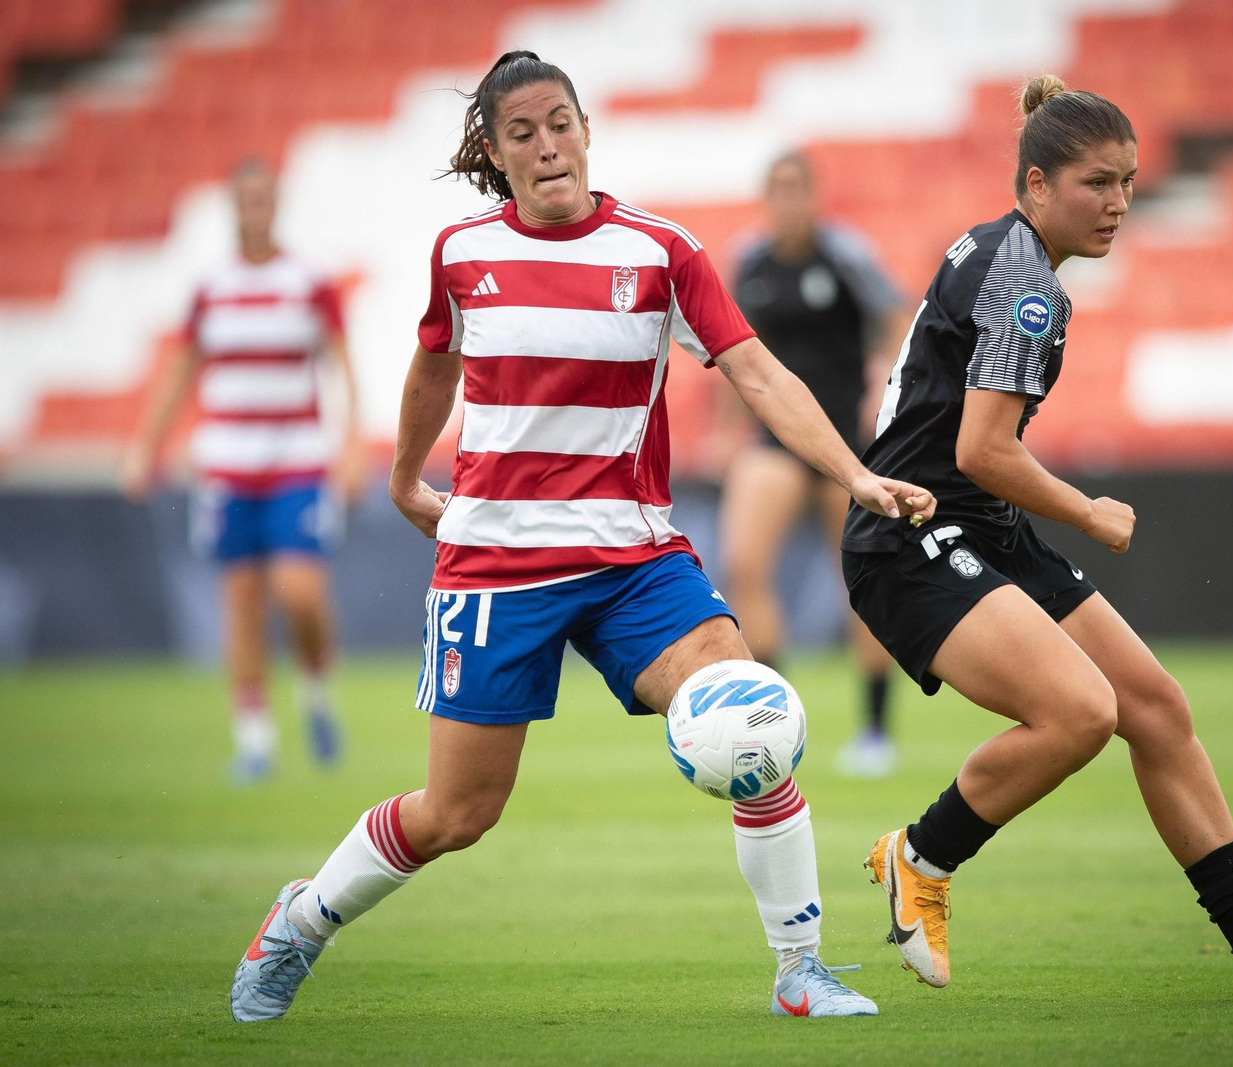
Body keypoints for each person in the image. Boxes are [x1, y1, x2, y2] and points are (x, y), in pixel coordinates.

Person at [227, 51, 935, 1023]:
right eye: (522, 132)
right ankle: (302, 919)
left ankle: (799, 969)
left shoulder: (659, 252)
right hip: (496, 561)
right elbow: (432, 370)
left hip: (632, 557)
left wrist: (853, 472)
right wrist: (401, 475)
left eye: (560, 122)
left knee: (752, 721)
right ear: (493, 152)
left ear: (586, 129)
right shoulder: (462, 255)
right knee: (458, 813)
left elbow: (758, 374)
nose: (548, 145)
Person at [845, 75, 1233, 999]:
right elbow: (980, 450)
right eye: (1098, 184)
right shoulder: (1023, 281)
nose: (1120, 204)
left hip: (976, 525)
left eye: (1129, 182)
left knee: (1155, 707)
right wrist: (1088, 510)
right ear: (1037, 183)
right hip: (915, 532)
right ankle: (919, 858)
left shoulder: (1006, 250)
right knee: (1081, 713)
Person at [123, 158, 361, 784]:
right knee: (241, 602)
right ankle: (254, 739)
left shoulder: (308, 281)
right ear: (233, 207)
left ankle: (316, 694)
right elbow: (181, 368)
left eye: (263, 200)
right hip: (227, 467)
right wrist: (145, 446)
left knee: (300, 592)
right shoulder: (211, 287)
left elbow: (340, 363)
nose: (253, 211)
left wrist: (351, 445)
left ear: (275, 205)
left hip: (295, 461)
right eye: (244, 201)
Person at [722, 150, 907, 778]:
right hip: (774, 441)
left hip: (843, 445)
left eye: (798, 188)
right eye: (777, 188)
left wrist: (884, 380)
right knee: (744, 564)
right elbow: (728, 347)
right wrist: (726, 426)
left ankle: (877, 730)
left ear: (815, 195)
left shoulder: (845, 254)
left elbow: (896, 315)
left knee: (859, 582)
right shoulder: (748, 261)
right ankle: (775, 722)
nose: (788, 200)